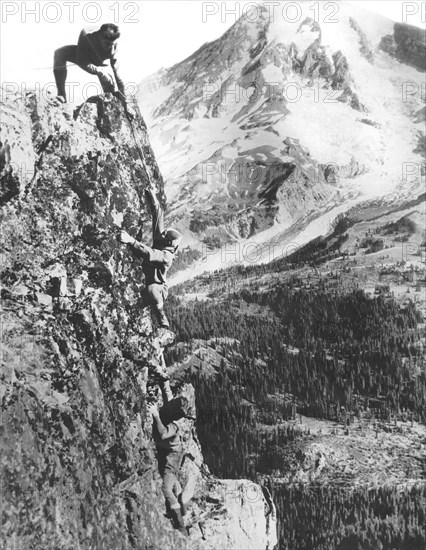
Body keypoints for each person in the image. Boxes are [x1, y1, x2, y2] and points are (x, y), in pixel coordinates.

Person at [119, 186, 182, 329]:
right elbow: (158, 217)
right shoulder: (164, 241)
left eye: (165, 235)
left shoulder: (167, 256)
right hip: (147, 280)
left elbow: (149, 253)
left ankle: (160, 312)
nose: (162, 234)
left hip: (159, 288)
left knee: (151, 290)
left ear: (168, 242)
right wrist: (153, 199)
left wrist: (131, 241)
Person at [53, 24, 125, 103]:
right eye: (106, 43)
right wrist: (98, 71)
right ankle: (61, 96)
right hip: (85, 55)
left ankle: (112, 103)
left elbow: (119, 76)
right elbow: (80, 60)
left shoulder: (114, 47)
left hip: (102, 63)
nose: (107, 46)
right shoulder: (87, 33)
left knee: (108, 83)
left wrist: (125, 99)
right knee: (60, 53)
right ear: (99, 35)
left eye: (110, 44)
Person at [147, 401, 188, 534]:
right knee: (174, 484)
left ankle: (180, 524)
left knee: (166, 489)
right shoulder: (171, 418)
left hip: (173, 459)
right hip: (173, 456)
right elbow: (168, 396)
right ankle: (182, 510)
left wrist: (155, 415)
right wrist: (164, 382)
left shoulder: (173, 427)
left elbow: (163, 434)